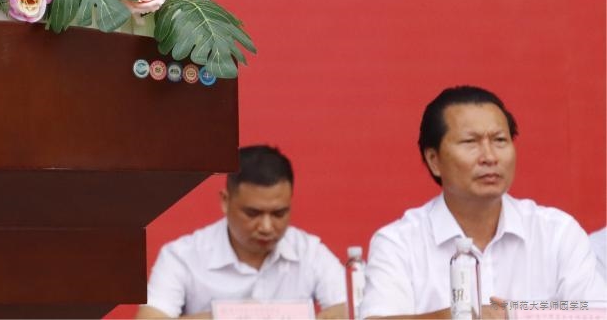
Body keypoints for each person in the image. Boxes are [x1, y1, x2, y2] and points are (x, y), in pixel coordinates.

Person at [360, 85, 607, 318]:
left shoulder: (557, 232)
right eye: (470, 142)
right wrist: (455, 316)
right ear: (434, 160)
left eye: (500, 140)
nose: (489, 157)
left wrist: (517, 312)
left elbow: (595, 312)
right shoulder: (398, 243)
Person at [139, 145, 347, 319]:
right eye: (252, 213)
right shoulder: (182, 256)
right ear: (225, 201)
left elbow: (351, 309)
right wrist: (231, 316)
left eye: (279, 213)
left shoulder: (309, 252)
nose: (266, 227)